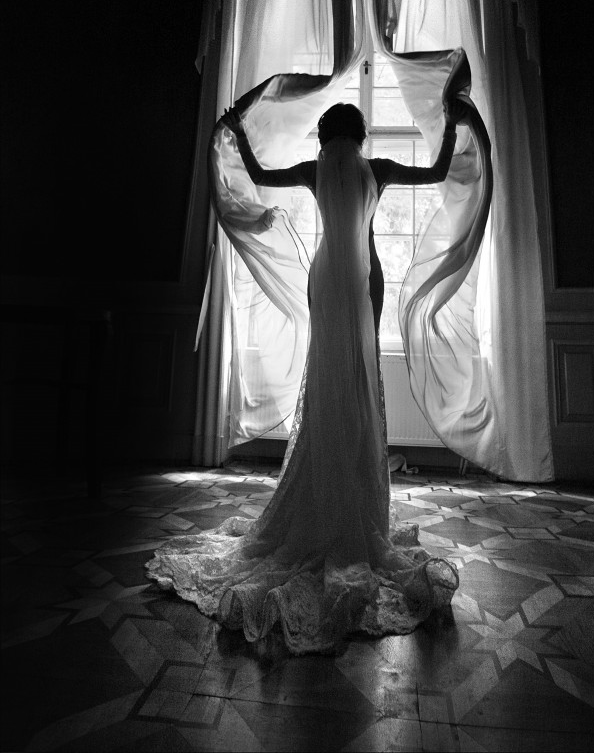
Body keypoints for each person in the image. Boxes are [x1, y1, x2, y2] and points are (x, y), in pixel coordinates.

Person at [146, 82, 461, 654]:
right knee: (360, 388)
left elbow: (261, 176)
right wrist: (457, 118)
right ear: (361, 137)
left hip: (327, 277)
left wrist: (236, 133)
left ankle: (324, 492)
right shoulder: (380, 167)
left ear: (325, 139)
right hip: (363, 279)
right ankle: (359, 506)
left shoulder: (319, 172)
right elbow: (439, 169)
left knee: (328, 383)